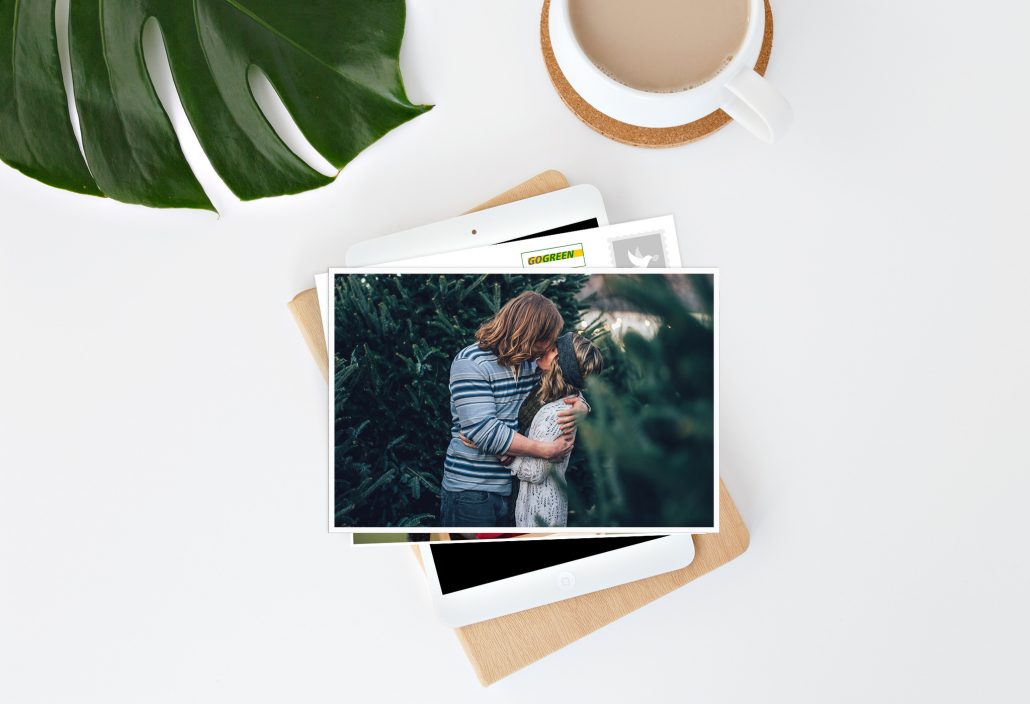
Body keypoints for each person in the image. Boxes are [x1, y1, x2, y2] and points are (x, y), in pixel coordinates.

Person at [440, 292, 589, 528]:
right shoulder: (471, 362)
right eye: (547, 339)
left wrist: (581, 406)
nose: (551, 345)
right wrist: (544, 450)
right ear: (528, 332)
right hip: (472, 491)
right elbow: (485, 432)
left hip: (516, 489)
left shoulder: (531, 362)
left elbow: (565, 380)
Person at [509, 332, 603, 527]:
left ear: (562, 366)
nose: (547, 348)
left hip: (541, 509)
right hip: (531, 502)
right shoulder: (549, 393)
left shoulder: (557, 415)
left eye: (553, 350)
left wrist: (500, 451)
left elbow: (536, 472)